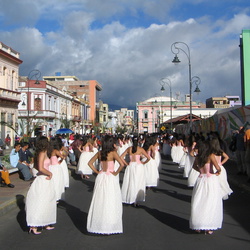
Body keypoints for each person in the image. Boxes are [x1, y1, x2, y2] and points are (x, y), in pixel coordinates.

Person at [87, 135, 125, 235]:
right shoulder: (113, 153)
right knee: (111, 199)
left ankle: (99, 221)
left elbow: (90, 163)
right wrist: (116, 173)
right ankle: (109, 222)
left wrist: (96, 171)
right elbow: (122, 164)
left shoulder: (100, 153)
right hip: (110, 177)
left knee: (100, 199)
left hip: (101, 176)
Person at [189, 141, 223, 235]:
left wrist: (201, 171)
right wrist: (217, 173)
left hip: (200, 179)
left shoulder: (198, 157)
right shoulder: (210, 155)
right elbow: (218, 168)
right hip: (211, 180)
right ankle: (209, 226)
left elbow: (194, 167)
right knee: (211, 202)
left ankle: (198, 225)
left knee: (199, 202)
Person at [25, 136, 57, 235]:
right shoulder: (42, 153)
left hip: (46, 180)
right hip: (43, 179)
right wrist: (50, 173)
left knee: (48, 201)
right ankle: (34, 225)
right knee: (40, 201)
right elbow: (40, 168)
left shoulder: (44, 152)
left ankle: (45, 222)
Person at [120, 136, 150, 206]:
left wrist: (126, 163)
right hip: (138, 166)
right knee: (138, 182)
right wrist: (143, 163)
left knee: (130, 182)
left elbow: (121, 157)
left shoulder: (129, 149)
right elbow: (148, 158)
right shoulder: (140, 149)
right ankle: (136, 200)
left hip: (130, 166)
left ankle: (130, 197)